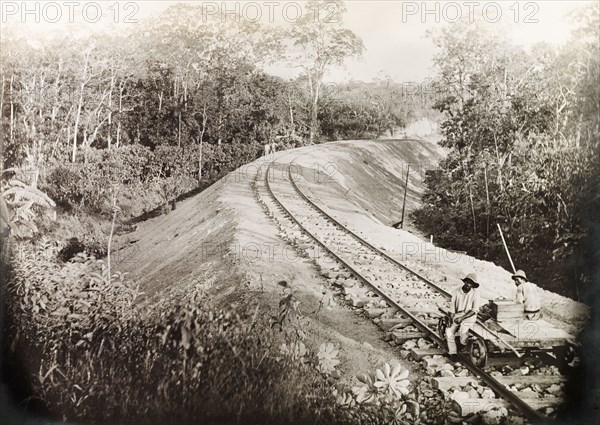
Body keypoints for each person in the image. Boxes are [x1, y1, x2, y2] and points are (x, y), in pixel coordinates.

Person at [446, 273, 482, 356]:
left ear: (473, 285)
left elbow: (474, 310)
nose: (468, 285)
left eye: (471, 283)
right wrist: (451, 318)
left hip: (469, 316)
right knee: (449, 331)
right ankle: (453, 353)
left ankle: (461, 346)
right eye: (467, 282)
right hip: (458, 314)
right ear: (464, 281)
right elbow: (452, 307)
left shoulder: (475, 293)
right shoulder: (456, 291)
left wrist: (462, 318)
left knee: (464, 332)